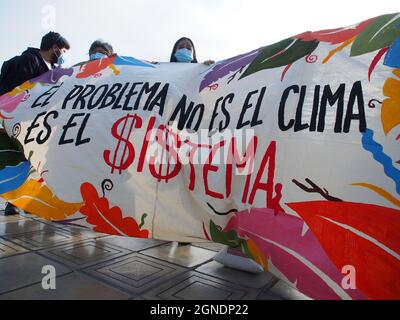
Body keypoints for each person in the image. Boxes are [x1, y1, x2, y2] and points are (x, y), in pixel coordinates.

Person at [0, 31, 70, 216]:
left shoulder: (47, 68)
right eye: (62, 50)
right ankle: (14, 202)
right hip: (20, 122)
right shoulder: (29, 61)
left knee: (32, 161)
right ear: (54, 47)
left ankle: (27, 200)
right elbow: (19, 94)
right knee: (19, 159)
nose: (62, 55)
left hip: (33, 123)